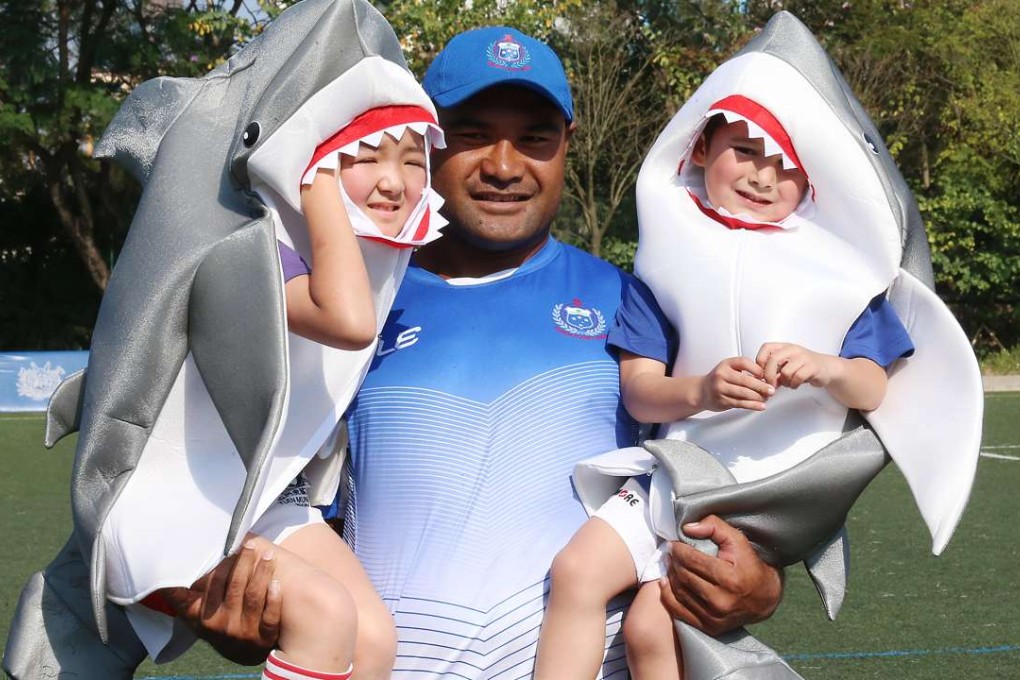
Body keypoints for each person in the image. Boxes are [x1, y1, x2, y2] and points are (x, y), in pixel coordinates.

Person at [168, 26, 784, 678]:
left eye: (534, 138)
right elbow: (279, 512)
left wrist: (760, 584)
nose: (503, 164)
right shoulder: (341, 312)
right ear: (426, 141)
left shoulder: (641, 307)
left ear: (566, 146)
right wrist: (248, 612)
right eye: (471, 133)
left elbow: (726, 478)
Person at [533, 92, 915, 677]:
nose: (763, 175)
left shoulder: (840, 272)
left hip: (755, 497)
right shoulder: (666, 259)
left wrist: (826, 366)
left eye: (786, 164)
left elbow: (873, 387)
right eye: (744, 149)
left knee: (650, 626)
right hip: (673, 472)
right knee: (577, 573)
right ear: (702, 146)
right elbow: (639, 388)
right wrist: (703, 391)